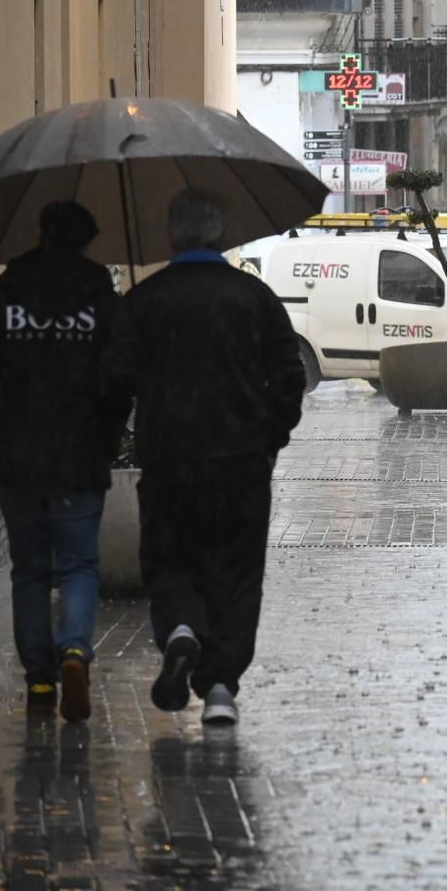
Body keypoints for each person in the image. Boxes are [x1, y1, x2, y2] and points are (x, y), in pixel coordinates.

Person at [103, 190, 305, 726]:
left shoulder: (146, 301)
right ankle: (219, 687)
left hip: (170, 460)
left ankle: (180, 629)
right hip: (240, 461)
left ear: (174, 237)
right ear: (220, 236)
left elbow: (114, 380)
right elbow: (290, 376)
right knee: (236, 572)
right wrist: (270, 438)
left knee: (171, 557)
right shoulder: (254, 298)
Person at [0, 202, 125, 722]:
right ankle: (74, 649)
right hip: (79, 457)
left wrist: (2, 432)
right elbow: (119, 382)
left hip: (19, 461)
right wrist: (106, 439)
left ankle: (38, 683)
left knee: (30, 570)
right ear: (84, 240)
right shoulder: (103, 303)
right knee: (77, 564)